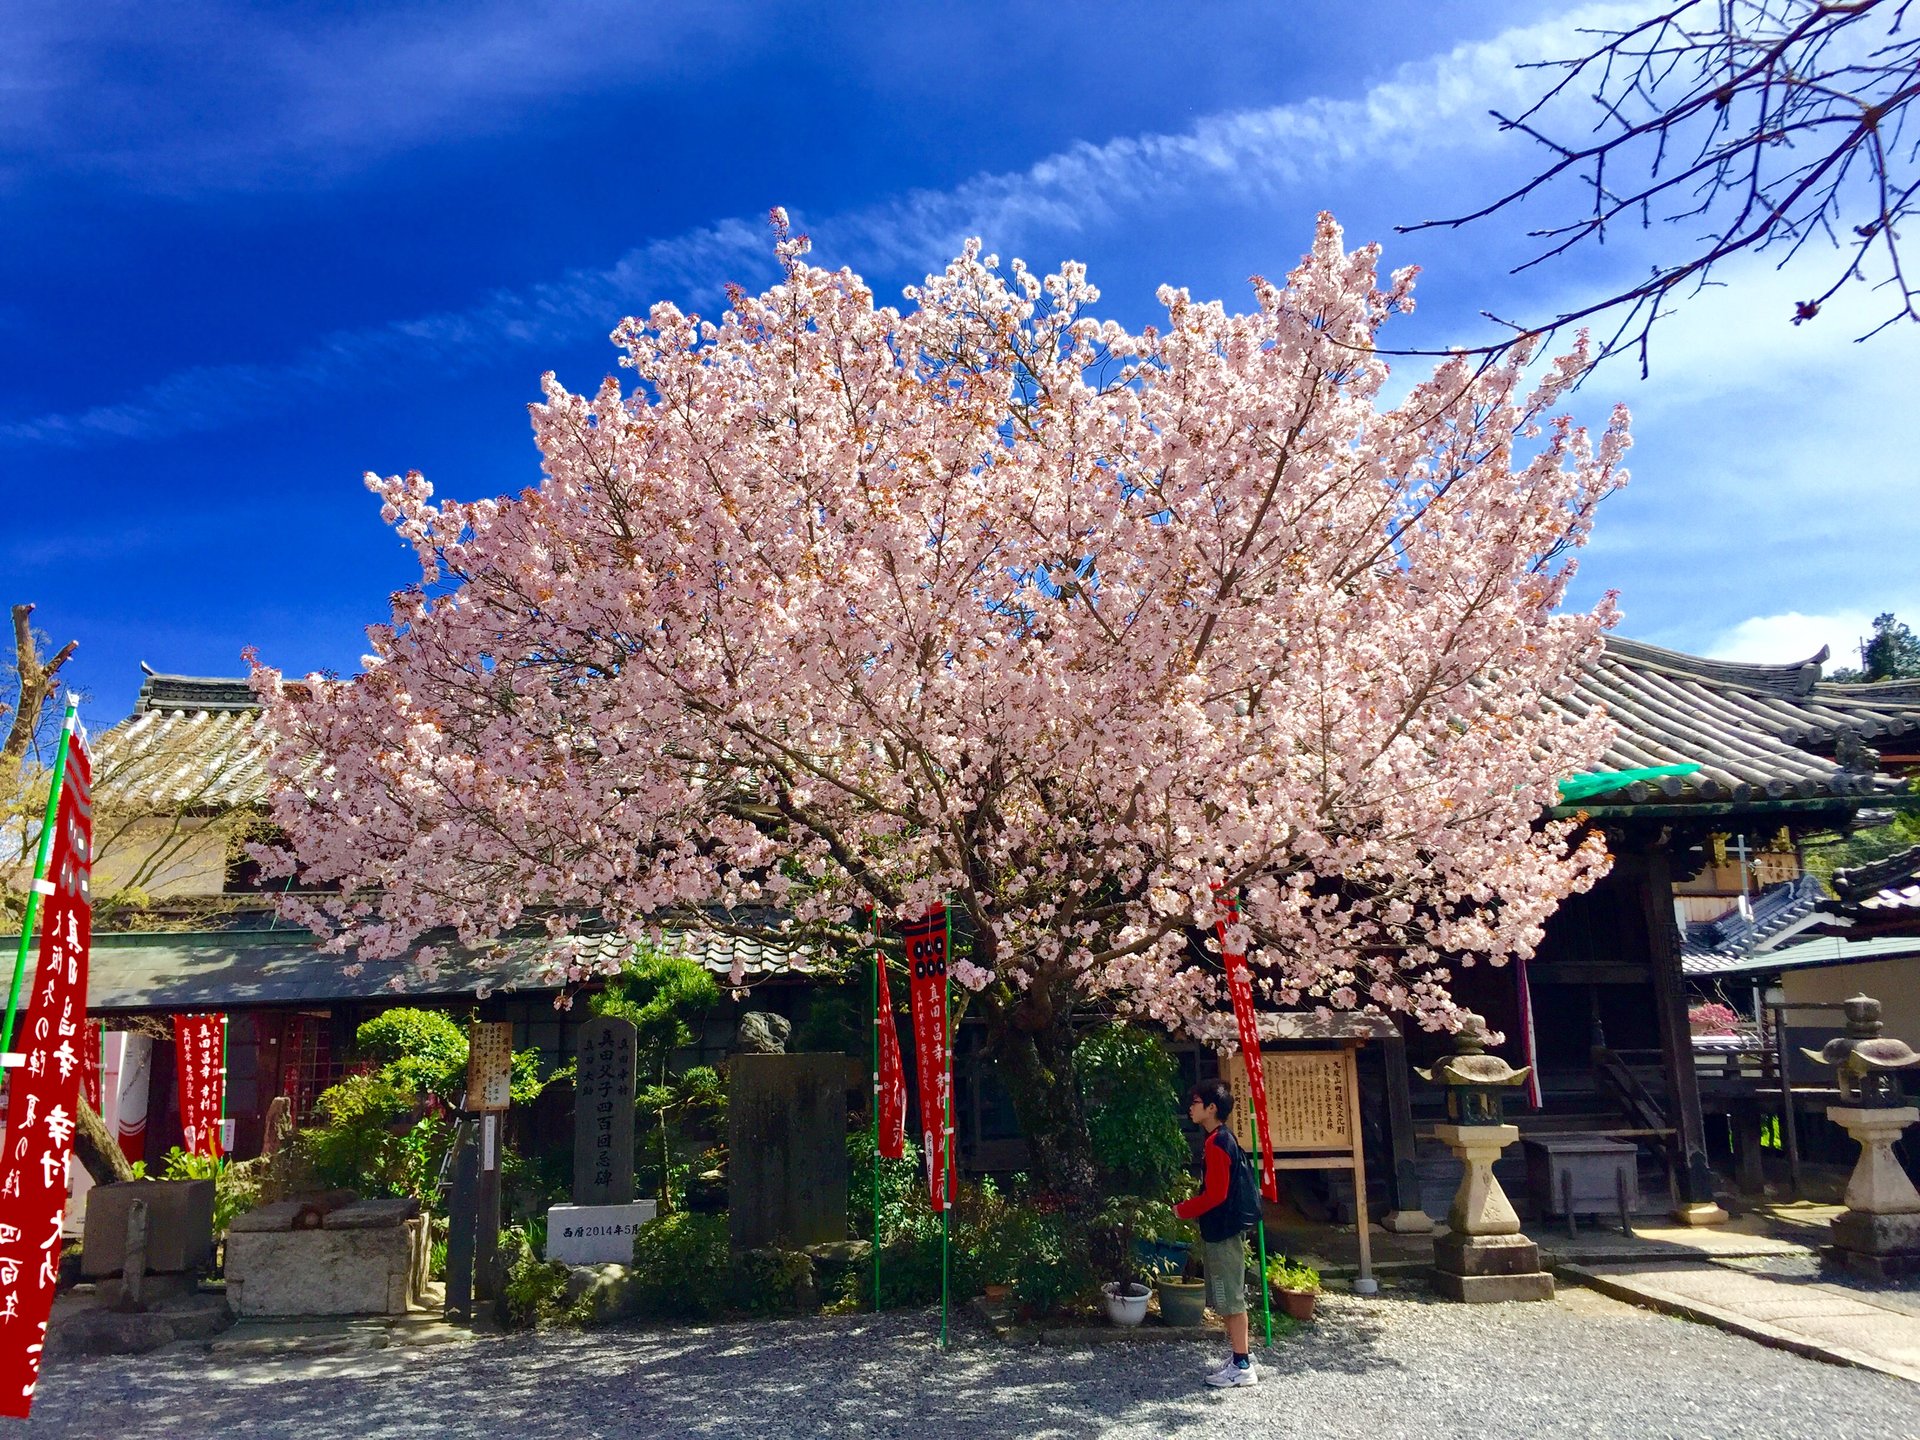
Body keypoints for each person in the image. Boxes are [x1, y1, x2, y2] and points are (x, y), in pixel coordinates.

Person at [1175, 1079, 1259, 1388]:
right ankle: (1239, 1356)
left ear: (1211, 1108)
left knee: (1231, 1299)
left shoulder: (1218, 1144)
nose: (1191, 1107)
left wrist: (1182, 1209)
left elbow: (1217, 1194)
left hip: (1222, 1231)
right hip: (1222, 1229)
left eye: (1196, 1102)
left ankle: (1242, 1364)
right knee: (1227, 1299)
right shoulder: (1220, 1140)